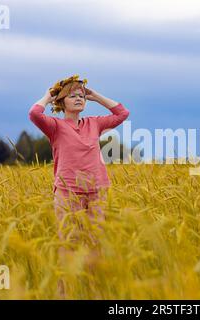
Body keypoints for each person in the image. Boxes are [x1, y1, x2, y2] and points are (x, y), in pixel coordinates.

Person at [28, 75, 130, 297]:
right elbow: (34, 114)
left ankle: (94, 292)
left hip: (97, 191)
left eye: (82, 96)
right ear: (62, 101)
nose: (78, 99)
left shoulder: (94, 123)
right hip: (68, 192)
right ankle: (64, 294)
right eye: (72, 96)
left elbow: (123, 113)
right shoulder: (55, 126)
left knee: (95, 244)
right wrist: (49, 95)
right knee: (69, 244)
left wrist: (96, 96)